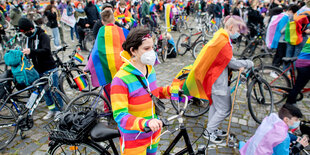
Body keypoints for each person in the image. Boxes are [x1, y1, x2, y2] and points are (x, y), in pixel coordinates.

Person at [111, 27, 171, 154]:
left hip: (153, 135)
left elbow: (152, 93)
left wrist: (173, 91)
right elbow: (120, 115)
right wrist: (145, 123)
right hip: (134, 139)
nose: (152, 52)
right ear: (133, 50)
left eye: (152, 48)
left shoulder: (150, 69)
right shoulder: (120, 79)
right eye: (146, 48)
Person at [198, 15, 254, 143]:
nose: (239, 34)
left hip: (216, 78)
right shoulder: (223, 41)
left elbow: (226, 61)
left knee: (216, 106)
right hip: (217, 80)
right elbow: (231, 63)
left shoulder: (221, 36)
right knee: (224, 109)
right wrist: (247, 63)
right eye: (238, 31)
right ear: (230, 27)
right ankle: (209, 131)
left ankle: (211, 128)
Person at [18, 18, 63, 120]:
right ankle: (52, 110)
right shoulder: (28, 38)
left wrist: (31, 51)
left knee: (54, 91)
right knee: (45, 92)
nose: (26, 34)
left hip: (49, 68)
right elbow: (31, 52)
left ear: (30, 28)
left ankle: (59, 111)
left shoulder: (43, 36)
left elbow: (46, 51)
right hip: (38, 70)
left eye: (26, 31)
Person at [240, 104, 308, 154]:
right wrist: (299, 147)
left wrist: (294, 138)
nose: (298, 122)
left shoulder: (269, 120)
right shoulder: (284, 138)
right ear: (286, 119)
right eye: (296, 119)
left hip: (248, 151)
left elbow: (275, 135)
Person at [286, 37, 310, 105]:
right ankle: (289, 104)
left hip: (302, 62)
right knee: (297, 87)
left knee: (298, 85)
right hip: (305, 64)